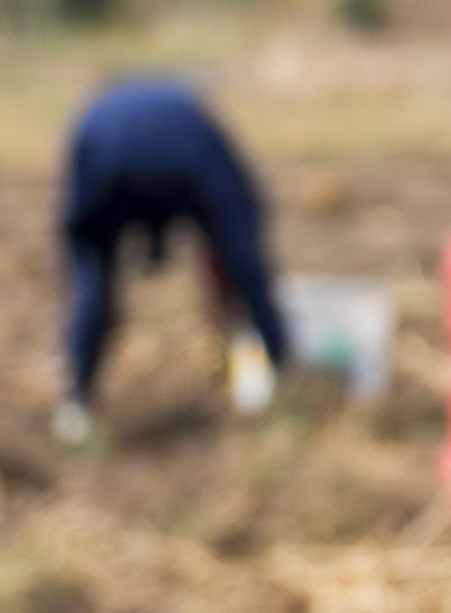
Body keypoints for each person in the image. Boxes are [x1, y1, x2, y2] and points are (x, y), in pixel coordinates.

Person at [54, 77, 290, 446]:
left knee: (92, 278)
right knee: (245, 267)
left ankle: (76, 404)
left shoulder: (98, 114)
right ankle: (279, 369)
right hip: (180, 161)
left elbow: (77, 230)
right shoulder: (193, 115)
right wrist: (235, 289)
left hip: (106, 162)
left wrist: (94, 291)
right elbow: (242, 223)